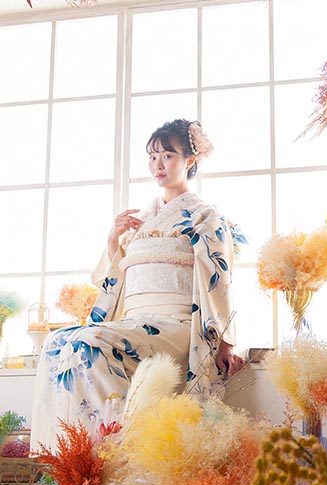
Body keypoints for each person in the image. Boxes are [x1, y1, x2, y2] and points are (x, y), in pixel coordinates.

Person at [31, 119, 245, 450]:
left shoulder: (205, 215)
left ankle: (120, 446)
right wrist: (113, 242)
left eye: (167, 156)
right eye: (152, 156)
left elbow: (218, 279)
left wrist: (225, 341)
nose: (157, 165)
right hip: (136, 321)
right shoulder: (142, 219)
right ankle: (74, 456)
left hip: (177, 325)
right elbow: (120, 280)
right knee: (55, 343)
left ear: (190, 160)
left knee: (87, 342)